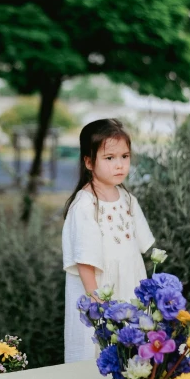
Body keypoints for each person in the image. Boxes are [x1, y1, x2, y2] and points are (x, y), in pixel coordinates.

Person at [62, 118, 155, 363]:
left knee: (131, 347)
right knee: (99, 347)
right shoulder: (85, 205)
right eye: (110, 158)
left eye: (125, 156)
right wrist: (98, 303)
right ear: (89, 162)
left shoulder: (126, 198)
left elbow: (138, 248)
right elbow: (84, 260)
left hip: (128, 282)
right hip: (100, 290)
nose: (120, 165)